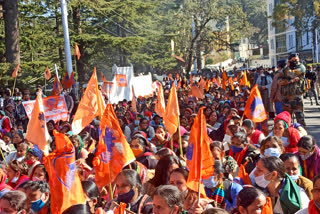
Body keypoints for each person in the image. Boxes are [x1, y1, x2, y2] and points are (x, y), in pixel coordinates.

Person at [278, 53, 306, 126]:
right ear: (289, 60)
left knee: (300, 118)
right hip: (286, 97)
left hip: (297, 97)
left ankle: (302, 135)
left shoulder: (301, 67)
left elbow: (292, 74)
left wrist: (286, 71)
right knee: (287, 119)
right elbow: (279, 81)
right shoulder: (285, 69)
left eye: (296, 60)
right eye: (292, 60)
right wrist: (290, 81)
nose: (295, 61)